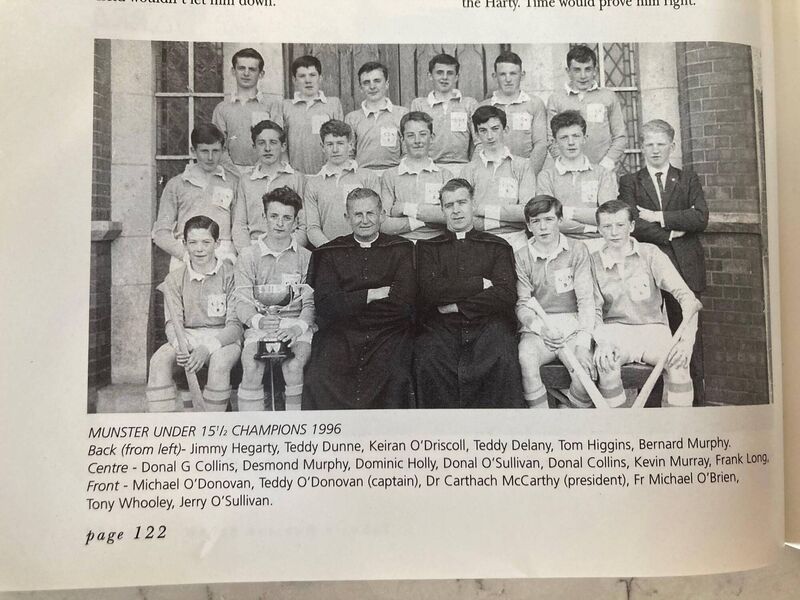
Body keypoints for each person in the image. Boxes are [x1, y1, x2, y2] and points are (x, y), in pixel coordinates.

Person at [618, 119, 709, 404]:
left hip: (686, 267)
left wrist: (658, 217)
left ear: (672, 146)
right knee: (654, 340)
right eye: (649, 144)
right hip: (647, 272)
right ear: (642, 147)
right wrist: (673, 231)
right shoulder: (630, 181)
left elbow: (700, 218)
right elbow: (633, 223)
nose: (655, 150)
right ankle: (653, 406)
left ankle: (696, 406)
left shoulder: (688, 179)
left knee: (689, 340)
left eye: (661, 144)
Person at [414, 178, 525, 409]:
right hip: (442, 327)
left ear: (473, 204)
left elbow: (505, 294)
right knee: (427, 358)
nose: (456, 210)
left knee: (503, 357)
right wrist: (479, 284)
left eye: (462, 202)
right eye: (449, 205)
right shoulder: (427, 248)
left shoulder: (497, 245)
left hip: (488, 325)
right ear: (442, 210)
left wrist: (457, 305)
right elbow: (430, 292)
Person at [303, 188, 415, 410]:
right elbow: (326, 306)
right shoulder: (330, 252)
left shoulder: (402, 249)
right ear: (347, 218)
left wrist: (349, 301)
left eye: (370, 213)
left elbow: (403, 304)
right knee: (319, 376)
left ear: (382, 215)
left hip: (388, 333)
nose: (365, 220)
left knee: (397, 377)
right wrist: (371, 295)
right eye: (358, 214)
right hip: (341, 334)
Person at [590, 200, 702, 408]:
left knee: (679, 364)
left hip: (653, 330)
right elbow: (593, 310)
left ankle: (677, 426)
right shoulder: (592, 261)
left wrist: (686, 342)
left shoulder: (651, 253)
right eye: (607, 226)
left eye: (620, 225)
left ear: (631, 226)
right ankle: (619, 427)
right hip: (614, 332)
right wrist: (602, 341)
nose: (614, 232)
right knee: (606, 365)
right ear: (599, 229)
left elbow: (688, 299)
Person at [146, 216, 242, 413]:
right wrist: (179, 345)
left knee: (220, 362)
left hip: (223, 338)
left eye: (206, 242)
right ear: (184, 244)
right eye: (193, 242)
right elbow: (172, 323)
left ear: (217, 243)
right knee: (159, 360)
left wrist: (207, 348)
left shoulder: (231, 275)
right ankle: (161, 424)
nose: (199, 249)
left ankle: (212, 425)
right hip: (187, 337)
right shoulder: (174, 279)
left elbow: (235, 326)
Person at [234, 187, 314, 411]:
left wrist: (296, 329)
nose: (280, 223)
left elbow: (309, 303)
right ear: (264, 217)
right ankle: (252, 426)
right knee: (252, 366)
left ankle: (293, 424)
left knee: (293, 366)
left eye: (287, 218)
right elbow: (242, 301)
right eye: (274, 216)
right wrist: (259, 321)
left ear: (296, 222)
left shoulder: (306, 257)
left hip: (296, 327)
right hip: (260, 325)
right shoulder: (248, 255)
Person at [515, 196, 596, 408]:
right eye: (536, 221)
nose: (543, 227)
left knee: (584, 375)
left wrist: (583, 344)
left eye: (549, 219)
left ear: (560, 220)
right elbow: (522, 304)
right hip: (539, 330)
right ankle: (543, 421)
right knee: (526, 359)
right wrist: (541, 329)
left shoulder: (578, 249)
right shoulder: (521, 256)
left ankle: (567, 411)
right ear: (528, 226)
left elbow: (586, 301)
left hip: (573, 327)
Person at [152, 123, 238, 270]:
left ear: (223, 150)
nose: (210, 157)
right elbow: (160, 233)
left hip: (221, 255)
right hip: (185, 255)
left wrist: (230, 257)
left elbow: (239, 227)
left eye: (215, 151)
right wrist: (185, 255)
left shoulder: (233, 183)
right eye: (204, 151)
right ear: (193, 151)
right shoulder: (176, 184)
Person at [537, 110, 618, 248]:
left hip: (598, 243)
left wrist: (566, 212)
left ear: (584, 138)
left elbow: (608, 216)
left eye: (576, 136)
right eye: (564, 137)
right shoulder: (546, 176)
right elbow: (548, 220)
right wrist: (591, 226)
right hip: (561, 244)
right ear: (555, 142)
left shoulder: (602, 173)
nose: (571, 142)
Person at [460, 105, 536, 250]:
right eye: (483, 130)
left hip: (515, 239)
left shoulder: (523, 166)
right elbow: (465, 214)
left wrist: (482, 210)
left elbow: (526, 211)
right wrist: (507, 219)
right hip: (479, 239)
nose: (490, 136)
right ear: (476, 134)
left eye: (495, 129)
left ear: (505, 130)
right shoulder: (468, 170)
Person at [547, 45, 627, 172]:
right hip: (568, 171)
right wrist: (566, 165)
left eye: (588, 69)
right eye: (577, 70)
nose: (583, 76)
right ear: (568, 71)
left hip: (603, 169)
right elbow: (551, 139)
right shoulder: (556, 99)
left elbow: (620, 136)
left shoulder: (608, 96)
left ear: (595, 70)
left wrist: (606, 165)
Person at [232, 120, 307, 252]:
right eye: (261, 143)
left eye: (273, 142)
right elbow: (239, 225)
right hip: (253, 247)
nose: (267, 148)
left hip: (288, 248)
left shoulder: (297, 178)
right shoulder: (246, 181)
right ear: (254, 147)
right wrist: (248, 253)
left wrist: (286, 250)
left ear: (283, 146)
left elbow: (304, 225)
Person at [303, 120, 380, 248]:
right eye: (329, 144)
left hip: (364, 248)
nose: (335, 149)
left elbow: (376, 218)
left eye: (340, 143)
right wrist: (331, 250)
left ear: (350, 145)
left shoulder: (367, 177)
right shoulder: (313, 184)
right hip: (329, 250)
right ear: (322, 147)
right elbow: (312, 227)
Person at [380, 111, 453, 241]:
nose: (417, 141)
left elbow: (451, 216)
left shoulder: (445, 175)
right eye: (410, 135)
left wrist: (405, 208)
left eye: (423, 134)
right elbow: (383, 223)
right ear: (402, 139)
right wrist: (428, 219)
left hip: (437, 243)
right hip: (401, 243)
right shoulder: (390, 176)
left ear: (432, 137)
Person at [212, 47, 284, 173]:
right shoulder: (222, 108)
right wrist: (234, 173)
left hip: (264, 171)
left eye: (252, 69)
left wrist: (259, 172)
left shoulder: (272, 105)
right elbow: (217, 146)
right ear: (233, 71)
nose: (246, 73)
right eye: (241, 68)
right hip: (231, 173)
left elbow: (276, 142)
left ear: (261, 74)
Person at [479, 51, 548, 175]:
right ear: (494, 76)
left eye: (513, 73)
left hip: (525, 169)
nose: (508, 79)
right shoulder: (484, 106)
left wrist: (528, 174)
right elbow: (479, 144)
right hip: (493, 171)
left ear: (522, 75)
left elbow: (541, 144)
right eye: (502, 74)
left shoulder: (535, 104)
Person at [409, 53, 478, 175]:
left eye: (450, 73)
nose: (444, 77)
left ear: (457, 77)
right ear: (430, 75)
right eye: (439, 73)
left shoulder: (469, 104)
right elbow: (413, 140)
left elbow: (479, 141)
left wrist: (472, 169)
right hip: (429, 168)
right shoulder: (419, 105)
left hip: (462, 166)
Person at [282, 55, 344, 174]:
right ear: (294, 80)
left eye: (312, 75)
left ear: (320, 78)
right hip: (296, 174)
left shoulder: (333, 104)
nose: (308, 80)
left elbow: (342, 139)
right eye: (302, 76)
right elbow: (281, 143)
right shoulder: (285, 106)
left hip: (327, 174)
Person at [344, 61, 407, 171]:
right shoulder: (352, 118)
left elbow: (408, 151)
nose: (372, 86)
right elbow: (348, 155)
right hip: (363, 174)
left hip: (393, 173)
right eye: (366, 82)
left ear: (386, 84)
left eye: (377, 81)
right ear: (360, 88)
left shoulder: (402, 114)